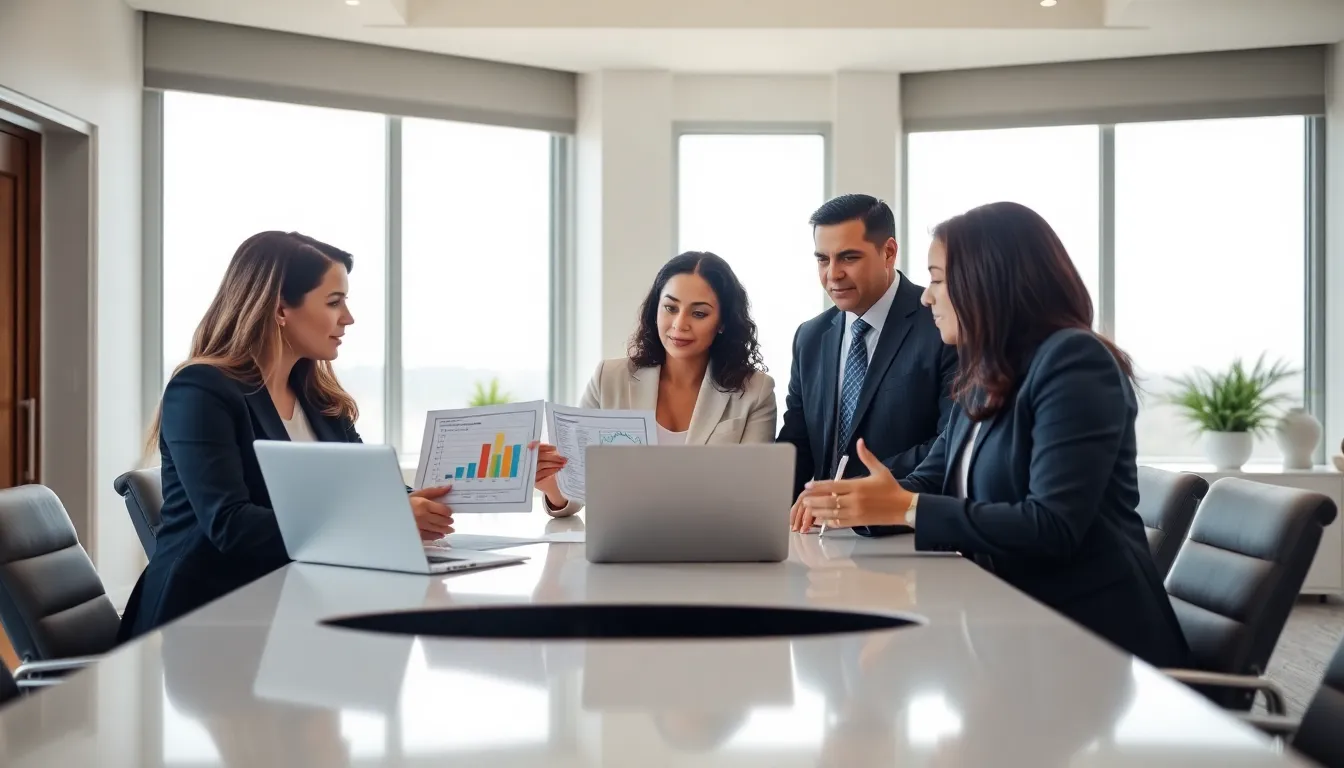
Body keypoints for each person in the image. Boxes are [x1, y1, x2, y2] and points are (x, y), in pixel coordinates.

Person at [799, 201, 1189, 668]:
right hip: (1010, 628)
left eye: (937, 280)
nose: (926, 298)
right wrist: (859, 502)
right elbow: (933, 479)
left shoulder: (1074, 362)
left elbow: (1052, 526)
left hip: (1092, 644)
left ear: (985, 280)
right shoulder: (984, 375)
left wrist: (905, 507)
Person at [117, 231, 456, 641]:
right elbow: (230, 525)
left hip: (295, 607)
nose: (348, 318)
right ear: (281, 309)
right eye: (334, 302)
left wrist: (431, 499)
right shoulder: (201, 390)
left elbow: (371, 491)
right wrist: (387, 520)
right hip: (206, 620)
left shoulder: (319, 400)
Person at [538, 251, 777, 517]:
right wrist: (552, 486)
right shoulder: (609, 378)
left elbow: (752, 496)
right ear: (656, 310)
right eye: (670, 308)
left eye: (699, 313)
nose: (680, 324)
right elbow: (578, 492)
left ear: (722, 322)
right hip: (624, 536)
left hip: (711, 537)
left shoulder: (756, 392)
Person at [782, 194, 956, 536]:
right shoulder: (810, 337)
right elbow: (797, 442)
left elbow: (950, 441)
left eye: (849, 257)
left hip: (901, 532)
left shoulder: (942, 326)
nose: (833, 274)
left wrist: (853, 491)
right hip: (818, 535)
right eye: (823, 259)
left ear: (888, 252)